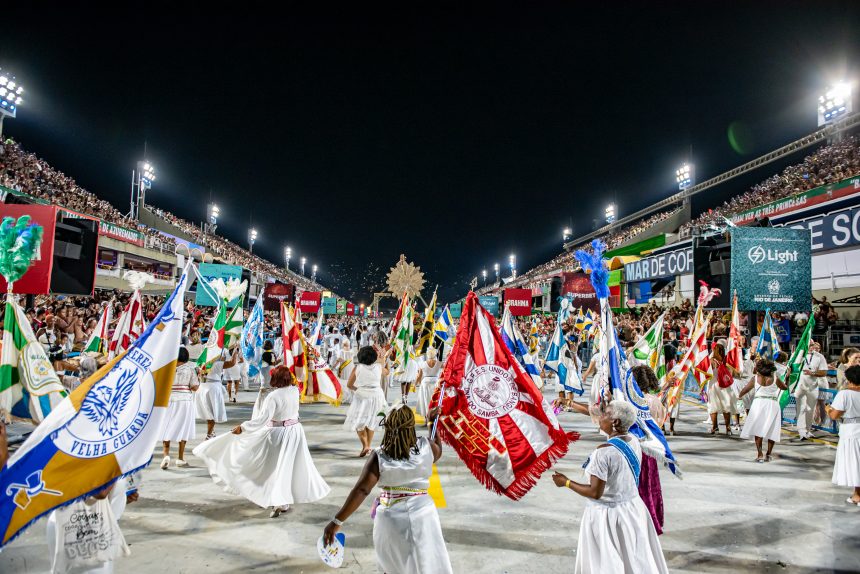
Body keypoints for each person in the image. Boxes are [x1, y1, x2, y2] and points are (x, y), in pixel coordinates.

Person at [323, 405, 453, 574]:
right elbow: (438, 449)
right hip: (424, 515)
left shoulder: (379, 456)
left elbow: (362, 490)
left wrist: (337, 521)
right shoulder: (426, 447)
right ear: (411, 426)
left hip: (391, 518)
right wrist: (431, 422)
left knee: (393, 564)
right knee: (425, 562)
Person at [193, 366, 330, 517]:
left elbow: (263, 419)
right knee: (288, 466)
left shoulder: (273, 396)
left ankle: (278, 499)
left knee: (270, 466)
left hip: (278, 433)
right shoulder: (295, 390)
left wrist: (243, 428)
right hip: (296, 430)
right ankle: (282, 500)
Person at [551, 400, 668, 574]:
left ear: (616, 422)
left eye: (605, 414)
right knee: (633, 559)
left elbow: (595, 492)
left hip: (608, 516)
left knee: (606, 562)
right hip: (632, 509)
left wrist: (566, 482)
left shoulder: (604, 453)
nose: (600, 416)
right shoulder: (633, 441)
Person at [630, 365, 666, 535]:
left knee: (635, 487)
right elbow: (660, 422)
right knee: (650, 486)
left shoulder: (631, 402)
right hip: (651, 449)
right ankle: (652, 519)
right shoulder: (655, 401)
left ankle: (635, 520)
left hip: (633, 449)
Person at [343, 346, 389, 457]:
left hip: (362, 396)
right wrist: (384, 360)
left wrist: (357, 389)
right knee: (372, 421)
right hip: (377, 396)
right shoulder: (378, 367)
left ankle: (365, 445)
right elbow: (387, 372)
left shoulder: (357, 368)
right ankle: (368, 445)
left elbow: (349, 385)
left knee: (359, 422)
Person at [738, 359, 786, 463]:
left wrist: (739, 396)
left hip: (758, 404)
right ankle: (768, 454)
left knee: (757, 429)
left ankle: (760, 455)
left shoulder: (755, 378)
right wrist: (788, 378)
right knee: (772, 429)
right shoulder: (775, 378)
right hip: (772, 404)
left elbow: (745, 389)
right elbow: (784, 388)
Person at [825, 365, 860, 505]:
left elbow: (834, 415)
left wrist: (827, 409)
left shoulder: (845, 394)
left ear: (849, 379)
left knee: (855, 464)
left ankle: (857, 496)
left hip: (851, 431)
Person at [160, 347, 199, 469]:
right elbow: (194, 387)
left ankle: (166, 455)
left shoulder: (167, 368)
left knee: (166, 426)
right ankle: (180, 458)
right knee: (183, 428)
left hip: (169, 399)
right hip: (185, 401)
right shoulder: (191, 369)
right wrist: (200, 377)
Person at [196, 348, 234, 439]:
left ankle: (211, 432)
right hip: (213, 388)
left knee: (208, 412)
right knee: (212, 413)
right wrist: (235, 352)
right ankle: (209, 434)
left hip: (203, 387)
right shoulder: (217, 364)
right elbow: (232, 363)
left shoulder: (201, 363)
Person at [794, 341, 828, 440]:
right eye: (808, 344)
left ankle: (808, 430)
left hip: (813, 386)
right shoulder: (797, 354)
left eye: (812, 345)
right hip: (799, 386)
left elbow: (824, 372)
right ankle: (801, 431)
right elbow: (791, 369)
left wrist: (812, 372)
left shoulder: (819, 356)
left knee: (811, 409)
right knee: (801, 408)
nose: (810, 347)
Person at [707, 342, 738, 436]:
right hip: (725, 386)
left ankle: (715, 427)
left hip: (713, 385)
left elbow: (706, 373)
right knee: (726, 406)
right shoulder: (727, 360)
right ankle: (728, 428)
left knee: (713, 406)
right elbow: (732, 373)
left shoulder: (711, 361)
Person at [415, 347, 442, 421]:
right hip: (436, 382)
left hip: (425, 383)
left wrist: (416, 384)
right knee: (435, 401)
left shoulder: (423, 364)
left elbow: (419, 376)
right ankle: (436, 418)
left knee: (425, 401)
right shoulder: (439, 363)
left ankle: (427, 419)